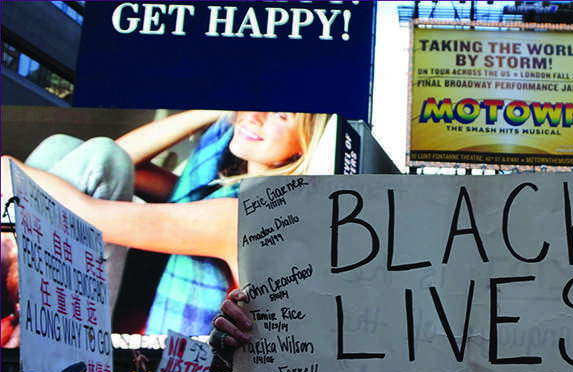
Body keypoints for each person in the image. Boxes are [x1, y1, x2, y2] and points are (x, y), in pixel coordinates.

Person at [0, 110, 332, 335]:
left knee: (57, 175)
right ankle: (19, 292)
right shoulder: (218, 191)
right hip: (124, 310)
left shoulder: (244, 217)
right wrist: (211, 110)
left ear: (304, 144)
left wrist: (7, 169)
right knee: (63, 147)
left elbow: (84, 213)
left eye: (282, 115)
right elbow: (116, 158)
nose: (255, 116)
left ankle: (24, 312)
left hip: (116, 341)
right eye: (258, 101)